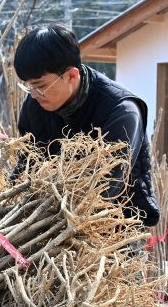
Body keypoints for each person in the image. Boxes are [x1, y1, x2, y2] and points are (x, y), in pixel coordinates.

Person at [13, 25, 160, 227]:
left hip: (111, 227)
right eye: (28, 86)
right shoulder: (35, 104)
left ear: (72, 76)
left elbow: (105, 188)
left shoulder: (121, 110)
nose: (33, 94)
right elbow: (27, 163)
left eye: (39, 85)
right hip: (46, 221)